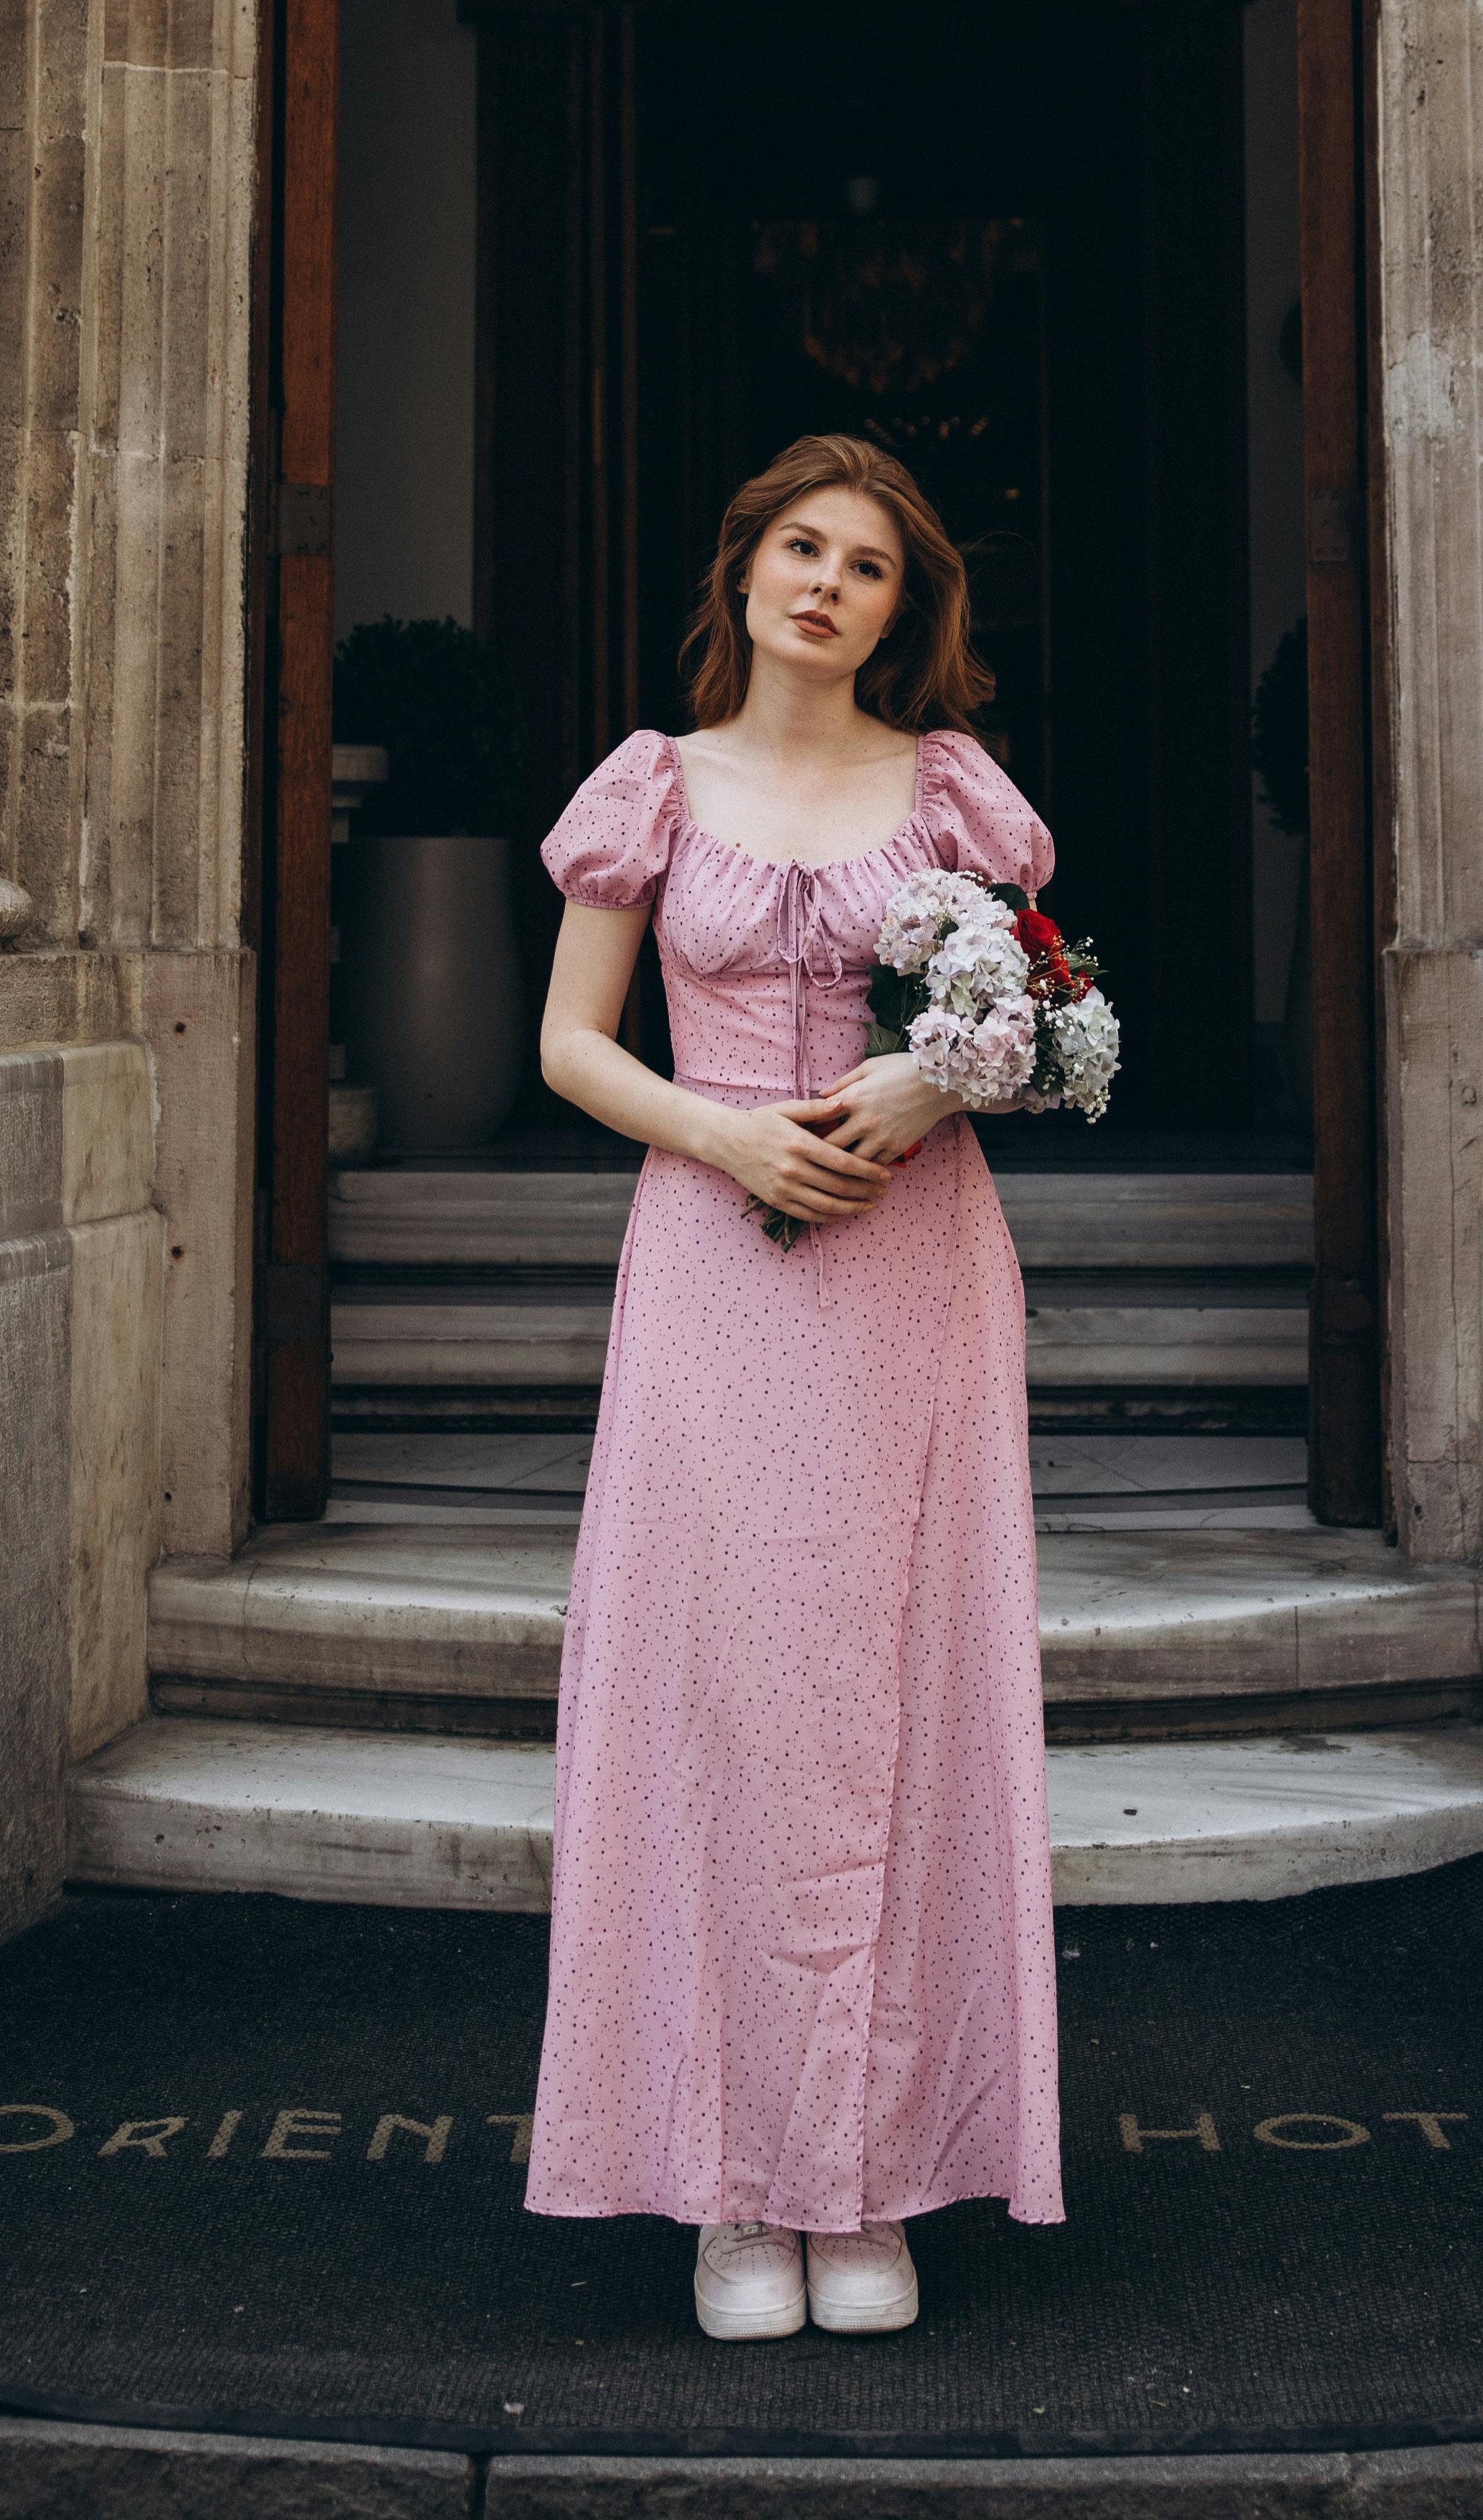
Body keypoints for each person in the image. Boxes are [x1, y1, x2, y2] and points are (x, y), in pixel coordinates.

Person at [525, 431, 1063, 2340]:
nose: (829, 584)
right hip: (714, 1260)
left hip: (918, 1270)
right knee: (724, 1703)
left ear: (905, 613)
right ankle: (735, 2184)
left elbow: (1059, 1010)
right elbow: (570, 1045)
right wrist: (730, 1142)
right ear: (743, 567)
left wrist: (940, 1075)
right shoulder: (652, 789)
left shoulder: (955, 796)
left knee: (901, 1703)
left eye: (873, 568)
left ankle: (879, 2181)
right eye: (802, 549)